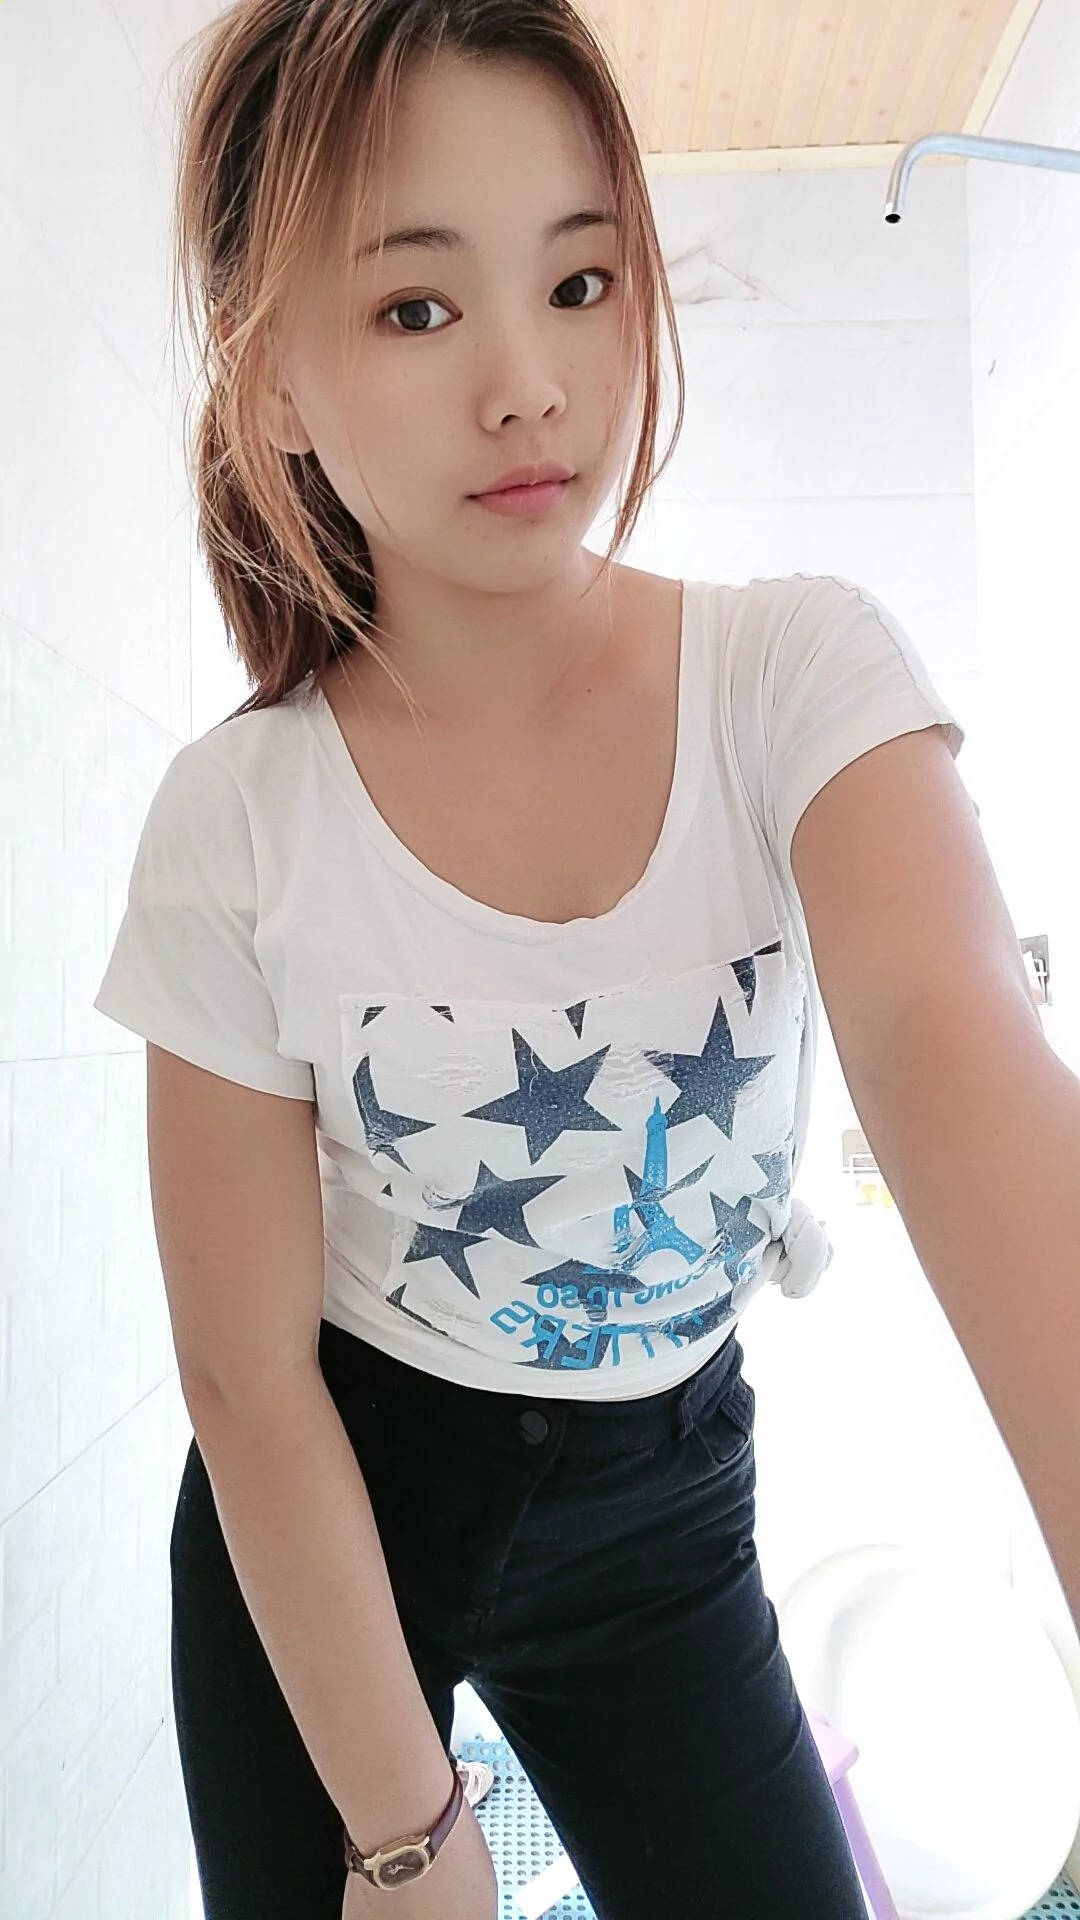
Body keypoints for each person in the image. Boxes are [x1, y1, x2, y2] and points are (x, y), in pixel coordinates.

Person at [93, 2, 965, 1915]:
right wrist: (409, 1839)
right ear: (274, 386)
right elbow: (243, 1377)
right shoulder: (237, 818)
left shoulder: (794, 677)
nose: (527, 387)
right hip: (338, 1502)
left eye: (579, 282)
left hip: (668, 1513)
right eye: (417, 308)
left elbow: (956, 1046)